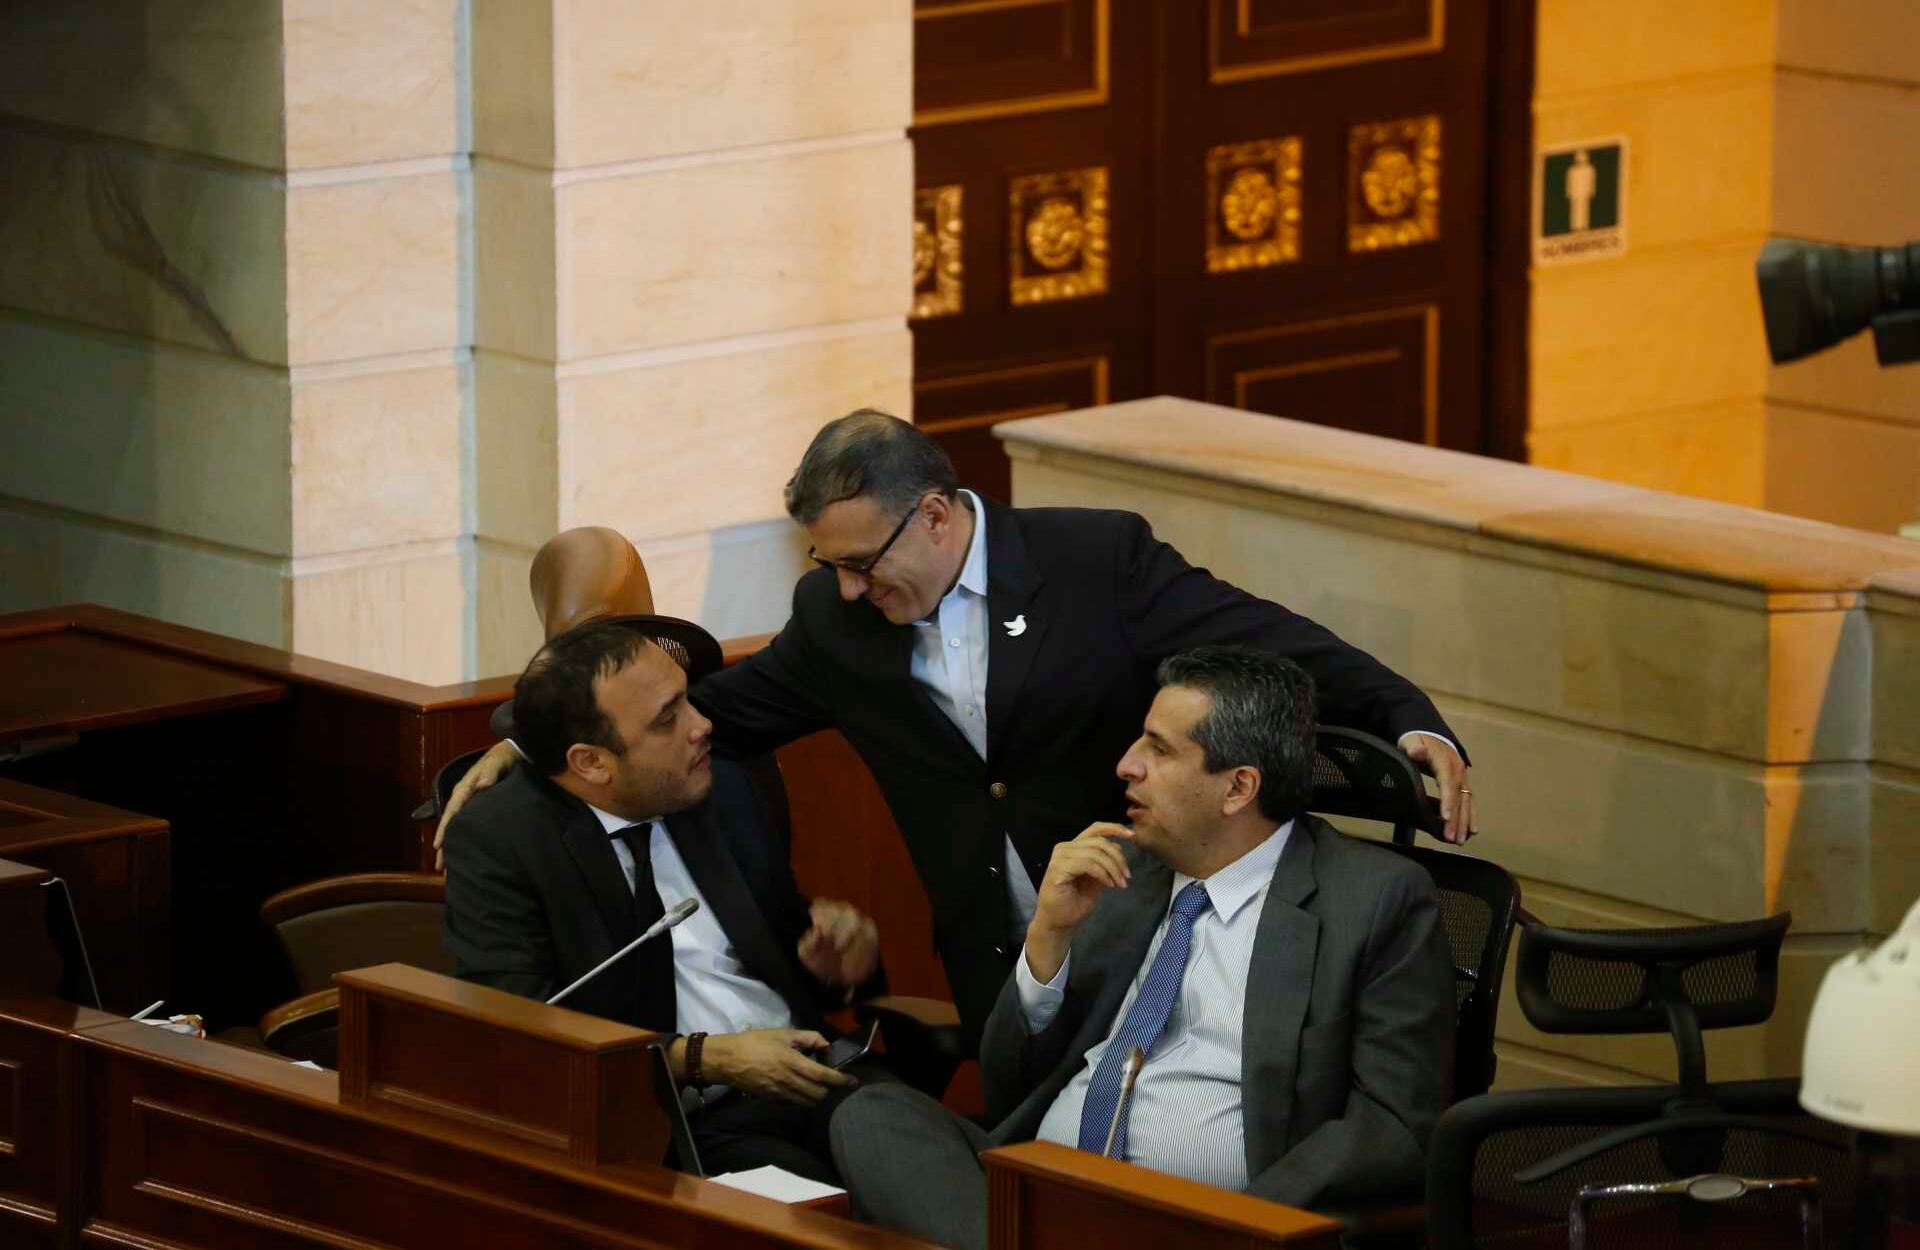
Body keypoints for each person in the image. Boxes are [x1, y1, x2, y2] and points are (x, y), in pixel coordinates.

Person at [441, 410, 1475, 1045]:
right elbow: (703, 718)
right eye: (826, 565)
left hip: (1136, 945)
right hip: (1000, 976)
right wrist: (522, 736)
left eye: (861, 559)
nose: (846, 587)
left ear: (937, 513)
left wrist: (1408, 715)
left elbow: (1267, 639)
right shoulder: (837, 625)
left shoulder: (1094, 565)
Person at [828, 647, 1456, 1249]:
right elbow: (1008, 1089)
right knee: (873, 1114)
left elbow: (1393, 1125)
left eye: (1158, 749)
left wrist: (1243, 1225)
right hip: (1045, 1187)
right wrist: (1048, 942)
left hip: (1196, 1226)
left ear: (1238, 787)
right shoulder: (1121, 874)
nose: (1126, 764)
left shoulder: (1372, 901)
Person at [441, 615, 886, 1183]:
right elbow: (522, 1036)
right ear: (592, 763)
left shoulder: (715, 782)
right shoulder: (504, 841)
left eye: (688, 701)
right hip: (678, 1127)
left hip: (817, 1075)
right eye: (668, 718)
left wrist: (841, 962)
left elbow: (790, 946)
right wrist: (703, 1059)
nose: (702, 725)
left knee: (934, 1160)